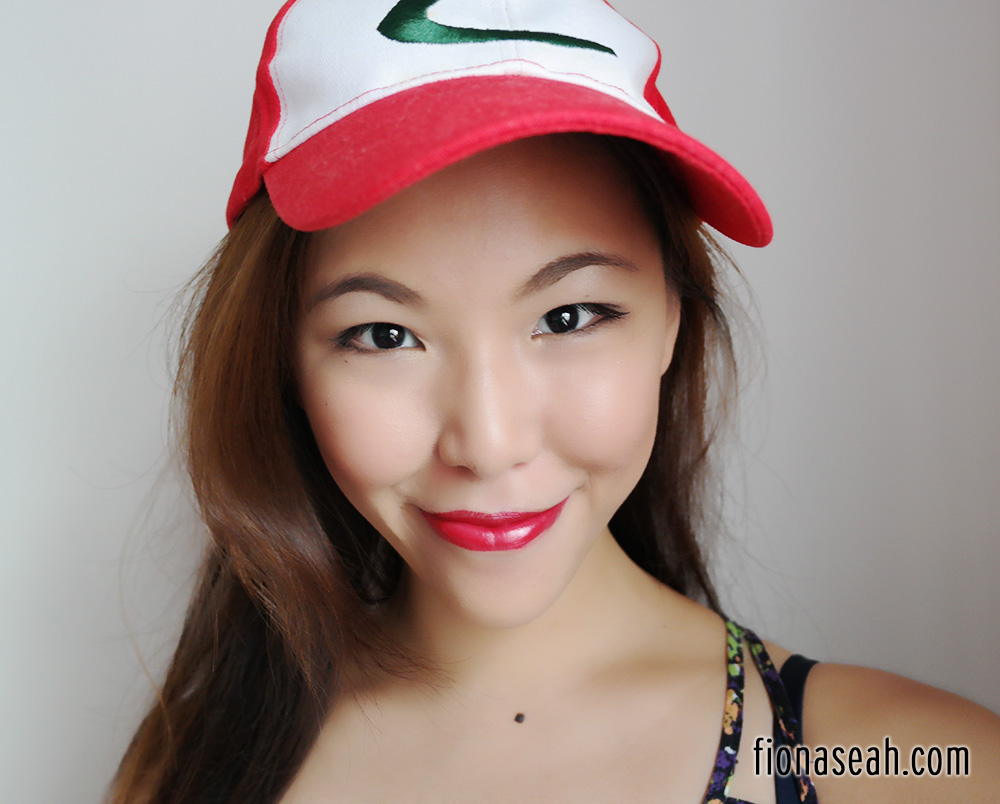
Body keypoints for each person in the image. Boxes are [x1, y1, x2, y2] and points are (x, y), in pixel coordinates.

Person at [109, 1, 1000, 802]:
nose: (489, 441)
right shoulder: (191, 769)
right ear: (286, 368)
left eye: (568, 317)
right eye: (384, 334)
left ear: (672, 322)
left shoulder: (901, 765)